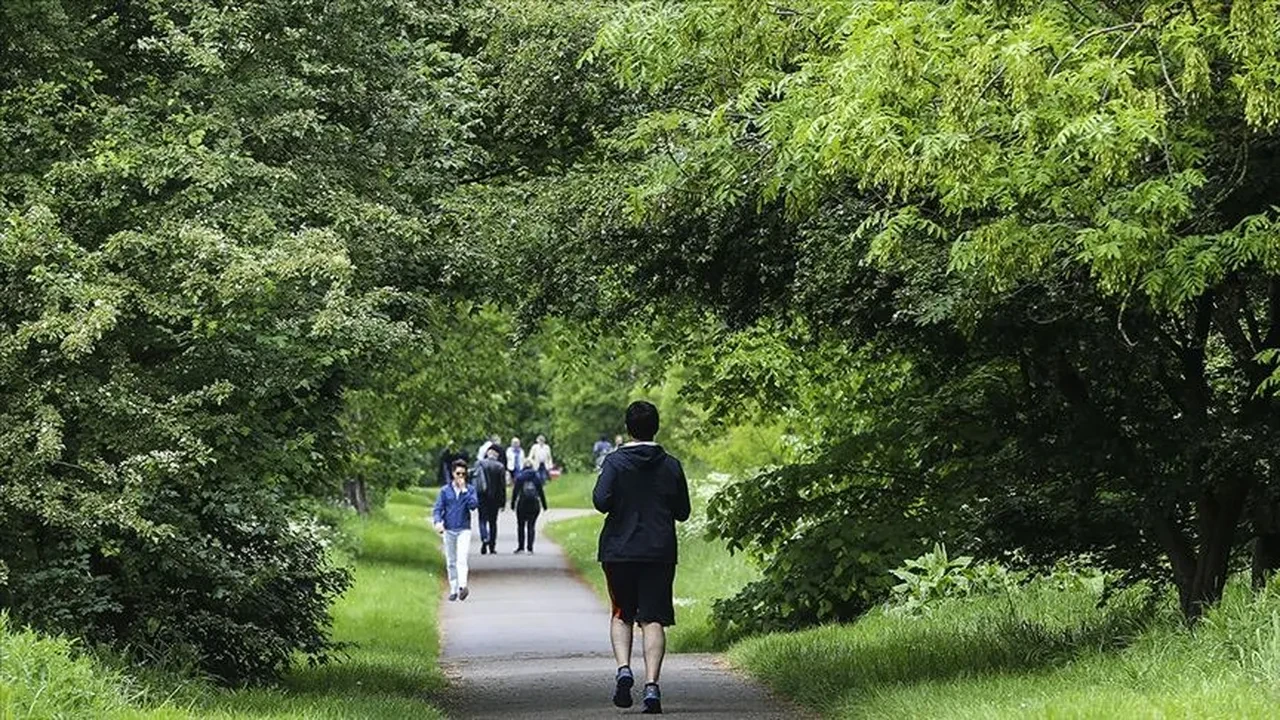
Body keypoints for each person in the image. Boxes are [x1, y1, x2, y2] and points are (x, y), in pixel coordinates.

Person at [592, 401, 690, 715]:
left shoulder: (615, 462)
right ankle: (651, 687)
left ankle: (623, 669)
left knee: (622, 613)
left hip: (619, 551)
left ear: (628, 428)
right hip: (659, 551)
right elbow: (683, 512)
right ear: (655, 427)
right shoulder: (671, 465)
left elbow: (600, 501)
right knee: (653, 618)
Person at [433, 460, 479, 601]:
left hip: (464, 529)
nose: (460, 476)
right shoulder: (445, 491)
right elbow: (438, 508)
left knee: (462, 558)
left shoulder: (470, 490)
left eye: (463, 474)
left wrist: (464, 490)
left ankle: (462, 586)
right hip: (449, 529)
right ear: (453, 474)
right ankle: (453, 588)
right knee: (451, 560)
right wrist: (438, 522)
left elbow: (473, 506)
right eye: (458, 473)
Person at [475, 446, 508, 555]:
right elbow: (502, 486)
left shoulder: (480, 464)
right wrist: (503, 502)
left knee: (482, 520)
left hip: (482, 496)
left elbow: (475, 481)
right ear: (497, 456)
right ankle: (492, 546)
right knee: (493, 522)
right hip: (495, 498)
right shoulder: (500, 467)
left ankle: (484, 538)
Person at [511, 459, 548, 554]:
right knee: (531, 526)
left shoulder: (520, 477)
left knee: (521, 526)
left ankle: (521, 547)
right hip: (534, 504)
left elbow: (515, 492)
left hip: (522, 504)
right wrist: (544, 505)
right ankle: (530, 548)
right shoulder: (536, 477)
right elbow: (541, 492)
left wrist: (512, 503)